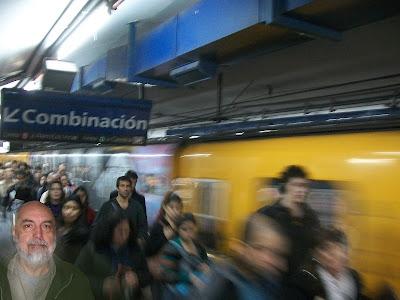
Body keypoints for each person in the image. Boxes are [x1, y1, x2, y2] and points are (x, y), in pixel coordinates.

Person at [0, 201, 94, 299]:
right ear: (14, 232)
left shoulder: (75, 280)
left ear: (54, 234)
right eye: (28, 226)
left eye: (46, 226)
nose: (38, 235)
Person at [259, 165, 320, 276]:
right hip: (273, 280)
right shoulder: (267, 215)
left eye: (304, 186)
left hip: (300, 283)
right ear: (284, 187)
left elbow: (316, 248)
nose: (301, 190)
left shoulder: (311, 218)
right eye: (295, 185)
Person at [75, 212, 151, 300]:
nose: (124, 235)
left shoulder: (134, 249)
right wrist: (101, 285)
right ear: (109, 230)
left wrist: (137, 277)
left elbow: (146, 274)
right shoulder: (93, 248)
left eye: (127, 230)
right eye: (119, 230)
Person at [287, 227, 364, 300]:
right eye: (326, 249)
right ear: (316, 254)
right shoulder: (305, 280)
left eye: (340, 248)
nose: (336, 253)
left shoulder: (354, 277)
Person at [160, 213, 210, 300]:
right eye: (184, 229)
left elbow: (207, 261)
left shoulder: (199, 247)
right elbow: (166, 274)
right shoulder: (171, 247)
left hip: (196, 290)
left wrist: (206, 266)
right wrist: (188, 278)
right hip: (176, 293)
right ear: (178, 230)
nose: (189, 232)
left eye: (191, 229)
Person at [146, 191, 183, 298]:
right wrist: (164, 237)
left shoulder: (180, 228)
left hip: (176, 272)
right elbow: (148, 251)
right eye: (172, 207)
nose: (176, 211)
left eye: (178, 208)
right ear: (165, 208)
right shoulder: (158, 226)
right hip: (159, 274)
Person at [94, 176, 147, 241]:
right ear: (117, 188)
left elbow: (143, 227)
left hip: (131, 246)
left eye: (128, 186)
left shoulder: (137, 207)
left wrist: (139, 239)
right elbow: (97, 225)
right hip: (110, 245)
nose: (125, 189)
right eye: (122, 186)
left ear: (131, 188)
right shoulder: (107, 206)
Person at [55, 195, 90, 263]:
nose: (69, 212)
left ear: (80, 212)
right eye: (66, 207)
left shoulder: (82, 234)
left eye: (74, 208)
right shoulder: (56, 226)